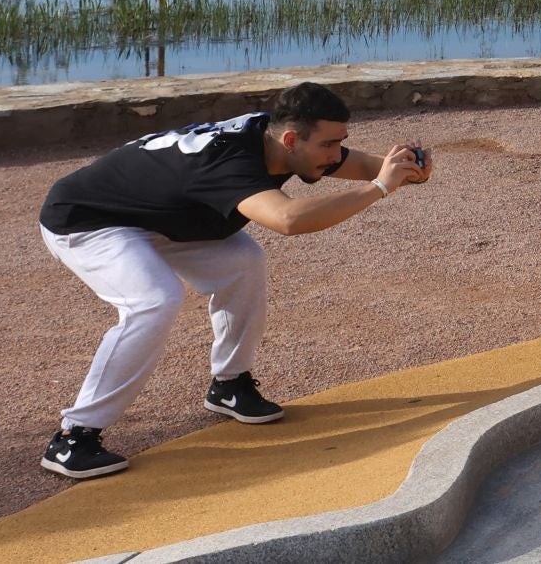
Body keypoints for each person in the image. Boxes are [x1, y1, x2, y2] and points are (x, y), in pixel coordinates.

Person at [36, 81, 431, 478]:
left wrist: (405, 169)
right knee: (155, 299)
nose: (335, 155)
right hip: (89, 221)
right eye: (328, 145)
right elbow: (289, 220)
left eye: (339, 142)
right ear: (292, 139)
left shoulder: (274, 137)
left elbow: (356, 163)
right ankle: (74, 439)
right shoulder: (231, 161)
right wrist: (380, 186)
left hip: (160, 217)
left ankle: (230, 385)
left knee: (242, 259)